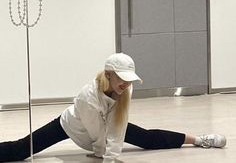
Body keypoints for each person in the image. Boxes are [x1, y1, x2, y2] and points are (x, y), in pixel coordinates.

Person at [0, 53, 226, 162]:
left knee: (147, 138)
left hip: (103, 124)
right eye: (121, 78)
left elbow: (116, 129)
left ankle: (199, 139)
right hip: (71, 125)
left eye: (129, 79)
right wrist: (104, 156)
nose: (126, 84)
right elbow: (97, 134)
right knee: (22, 150)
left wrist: (109, 157)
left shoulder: (125, 89)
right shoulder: (87, 97)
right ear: (108, 74)